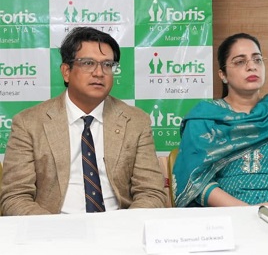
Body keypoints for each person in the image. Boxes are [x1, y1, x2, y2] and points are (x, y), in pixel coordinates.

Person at [0, 27, 167, 216]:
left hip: (118, 225)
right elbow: (15, 197)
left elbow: (151, 193)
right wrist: (52, 229)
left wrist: (124, 226)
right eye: (88, 63)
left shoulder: (135, 122)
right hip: (53, 226)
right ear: (66, 71)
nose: (99, 73)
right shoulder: (28, 123)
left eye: (107, 65)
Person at [173, 32, 268, 207]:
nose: (252, 67)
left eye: (257, 60)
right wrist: (245, 211)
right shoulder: (205, 120)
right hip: (226, 216)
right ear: (223, 74)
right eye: (240, 62)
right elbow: (197, 180)